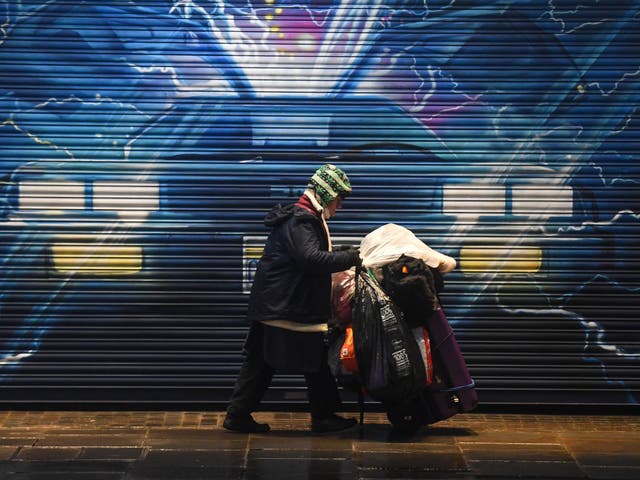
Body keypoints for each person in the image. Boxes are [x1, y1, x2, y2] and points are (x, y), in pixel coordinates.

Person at [223, 164, 361, 434]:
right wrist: (352, 257)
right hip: (286, 306)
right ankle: (323, 417)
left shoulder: (303, 216)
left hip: (279, 303)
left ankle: (238, 415)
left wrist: (341, 252)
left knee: (264, 362)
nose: (340, 205)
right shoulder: (302, 220)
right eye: (339, 198)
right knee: (311, 361)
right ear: (326, 193)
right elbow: (310, 259)